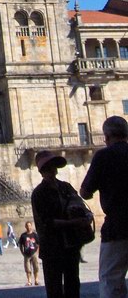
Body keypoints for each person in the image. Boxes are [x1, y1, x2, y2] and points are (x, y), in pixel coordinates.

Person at [80, 115, 128, 298]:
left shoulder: (103, 156)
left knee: (111, 280)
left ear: (107, 137)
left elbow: (85, 192)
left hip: (116, 228)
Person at [32, 149, 90, 298]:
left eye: (53, 166)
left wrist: (87, 216)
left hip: (71, 245)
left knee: (73, 285)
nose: (53, 170)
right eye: (49, 167)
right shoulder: (39, 193)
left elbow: (80, 204)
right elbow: (46, 222)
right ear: (42, 171)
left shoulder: (65, 187)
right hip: (52, 248)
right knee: (54, 289)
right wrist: (72, 223)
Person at [18, 221, 40, 286]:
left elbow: (38, 244)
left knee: (36, 267)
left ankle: (36, 280)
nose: (28, 227)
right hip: (26, 254)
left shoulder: (35, 235)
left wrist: (37, 252)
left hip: (34, 253)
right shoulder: (23, 235)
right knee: (27, 268)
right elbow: (21, 244)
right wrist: (22, 252)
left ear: (31, 226)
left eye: (29, 225)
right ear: (25, 227)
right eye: (27, 226)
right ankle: (29, 281)